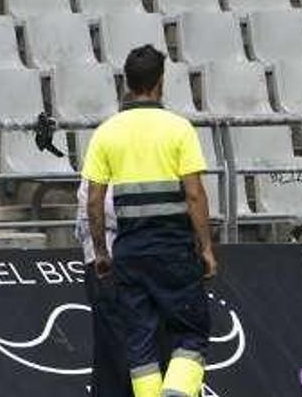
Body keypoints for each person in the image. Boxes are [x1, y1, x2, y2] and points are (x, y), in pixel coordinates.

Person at [82, 45, 217, 397]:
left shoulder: (107, 133)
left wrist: (101, 252)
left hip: (128, 251)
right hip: (173, 250)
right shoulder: (179, 129)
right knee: (191, 333)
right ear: (160, 82)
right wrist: (206, 248)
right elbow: (194, 195)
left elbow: (94, 201)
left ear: (127, 82)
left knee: (139, 341)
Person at [74, 179, 132, 396]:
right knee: (113, 350)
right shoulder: (105, 150)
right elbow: (95, 206)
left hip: (118, 260)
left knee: (116, 350)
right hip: (108, 263)